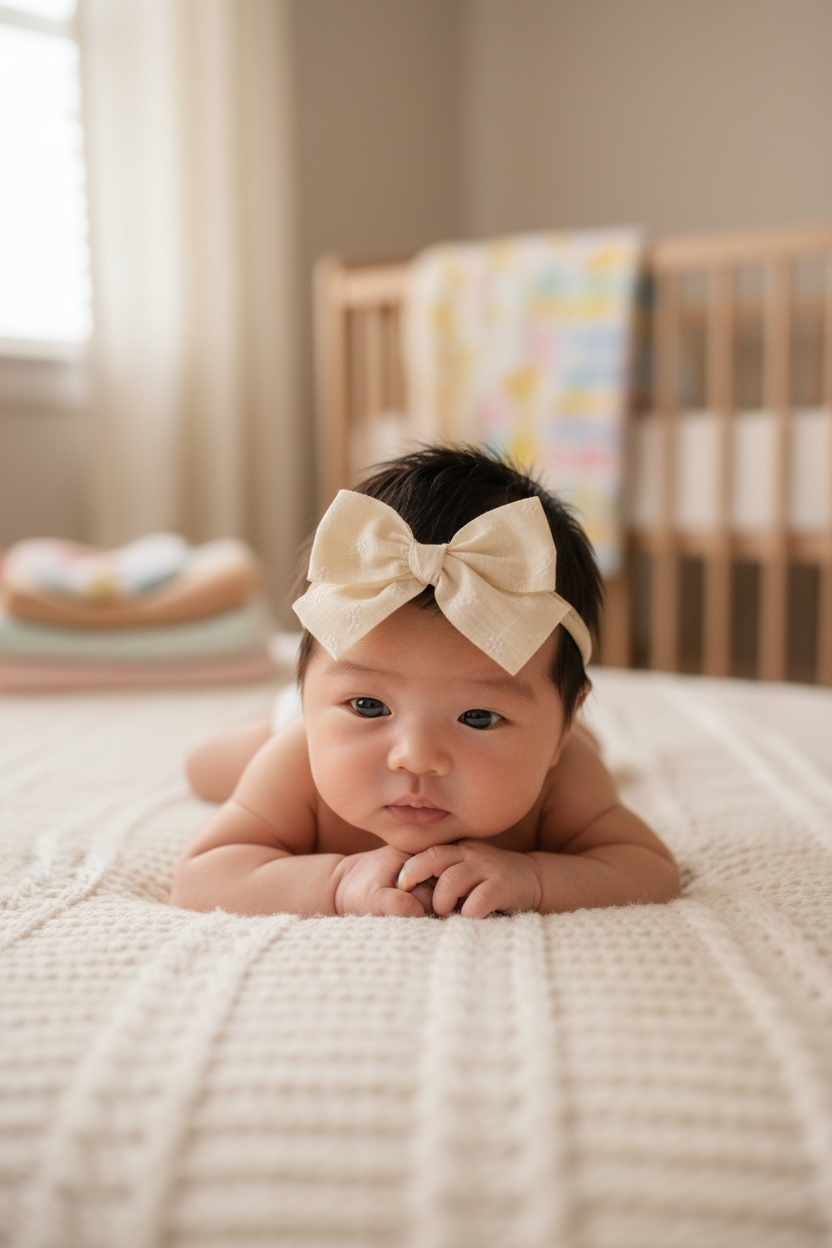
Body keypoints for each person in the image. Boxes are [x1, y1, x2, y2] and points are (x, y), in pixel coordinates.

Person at [171, 445, 679, 919]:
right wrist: (338, 878)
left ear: (563, 727)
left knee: (590, 752)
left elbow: (648, 869)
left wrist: (537, 877)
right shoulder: (298, 758)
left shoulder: (563, 777)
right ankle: (281, 717)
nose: (414, 757)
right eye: (369, 706)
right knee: (208, 767)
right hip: (292, 728)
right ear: (309, 691)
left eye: (478, 717)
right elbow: (202, 876)